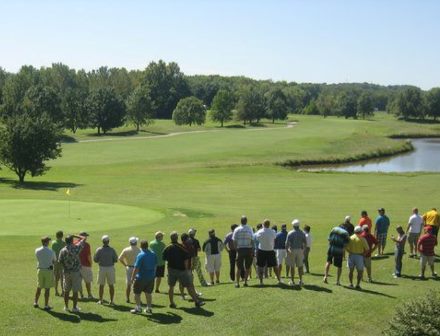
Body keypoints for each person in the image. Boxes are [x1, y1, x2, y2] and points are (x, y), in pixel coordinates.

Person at [162, 231, 205, 308]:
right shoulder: (181, 247)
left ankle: (172, 303)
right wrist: (186, 269)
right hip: (182, 270)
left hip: (171, 270)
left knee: (171, 287)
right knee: (188, 286)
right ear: (177, 238)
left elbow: (164, 258)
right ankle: (197, 302)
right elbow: (186, 259)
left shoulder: (167, 248)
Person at [58, 234, 86, 312]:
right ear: (72, 241)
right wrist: (76, 235)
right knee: (75, 290)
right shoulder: (76, 248)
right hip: (75, 272)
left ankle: (66, 307)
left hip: (66, 272)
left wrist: (66, 267)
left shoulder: (62, 250)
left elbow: (60, 261)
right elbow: (83, 239)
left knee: (66, 290)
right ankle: (74, 307)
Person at [130, 240, 157, 314]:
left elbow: (136, 268)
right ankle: (149, 308)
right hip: (151, 277)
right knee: (148, 293)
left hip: (141, 278)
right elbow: (155, 266)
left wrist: (132, 278)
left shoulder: (140, 255)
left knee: (137, 293)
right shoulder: (153, 254)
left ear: (141, 246)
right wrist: (153, 275)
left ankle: (138, 308)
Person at [255, 219, 281, 285]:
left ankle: (261, 282)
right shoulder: (273, 232)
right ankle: (279, 280)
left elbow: (257, 240)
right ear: (269, 225)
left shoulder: (259, 232)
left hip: (261, 250)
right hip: (270, 250)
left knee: (260, 266)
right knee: (275, 266)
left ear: (263, 224)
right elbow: (274, 239)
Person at [94, 235, 118, 305]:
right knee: (111, 285)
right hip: (110, 268)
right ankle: (111, 301)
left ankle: (101, 300)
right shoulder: (112, 250)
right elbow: (116, 259)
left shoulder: (99, 249)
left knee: (101, 285)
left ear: (102, 241)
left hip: (102, 268)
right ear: (108, 241)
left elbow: (95, 259)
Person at [34, 236, 56, 310]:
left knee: (39, 287)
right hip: (48, 271)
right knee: (47, 289)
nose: (49, 242)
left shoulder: (37, 250)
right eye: (48, 241)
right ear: (46, 242)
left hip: (40, 270)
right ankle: (46, 305)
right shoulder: (51, 251)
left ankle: (35, 302)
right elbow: (54, 261)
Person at [232, 216, 254, 287]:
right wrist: (252, 249)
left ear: (240, 221)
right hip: (248, 249)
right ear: (246, 221)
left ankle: (237, 283)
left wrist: (236, 249)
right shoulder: (249, 228)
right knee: (247, 267)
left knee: (238, 267)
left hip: (240, 249)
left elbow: (234, 240)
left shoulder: (237, 229)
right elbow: (252, 239)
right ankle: (245, 282)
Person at [119, 237, 141, 303]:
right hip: (137, 268)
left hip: (129, 267)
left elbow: (120, 258)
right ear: (136, 242)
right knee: (137, 284)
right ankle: (137, 299)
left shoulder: (126, 249)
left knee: (128, 285)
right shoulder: (139, 250)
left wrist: (125, 265)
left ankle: (127, 299)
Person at [285, 219, 307, 286]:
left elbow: (286, 244)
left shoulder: (290, 233)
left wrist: (287, 250)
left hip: (292, 250)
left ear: (293, 226)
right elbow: (305, 243)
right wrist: (303, 250)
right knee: (300, 266)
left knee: (292, 266)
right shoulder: (302, 233)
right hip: (300, 250)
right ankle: (300, 281)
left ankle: (292, 281)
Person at [77, 232, 93, 299]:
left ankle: (81, 295)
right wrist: (91, 263)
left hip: (77, 266)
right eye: (85, 236)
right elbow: (88, 256)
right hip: (85, 265)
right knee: (87, 281)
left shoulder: (75, 243)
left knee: (79, 281)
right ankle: (89, 294)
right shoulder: (86, 245)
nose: (86, 238)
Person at [51, 230, 66, 296]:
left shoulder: (53, 243)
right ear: (62, 236)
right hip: (62, 262)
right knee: (62, 277)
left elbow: (52, 253)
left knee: (56, 277)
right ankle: (63, 291)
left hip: (55, 262)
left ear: (56, 236)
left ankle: (56, 291)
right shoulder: (64, 243)